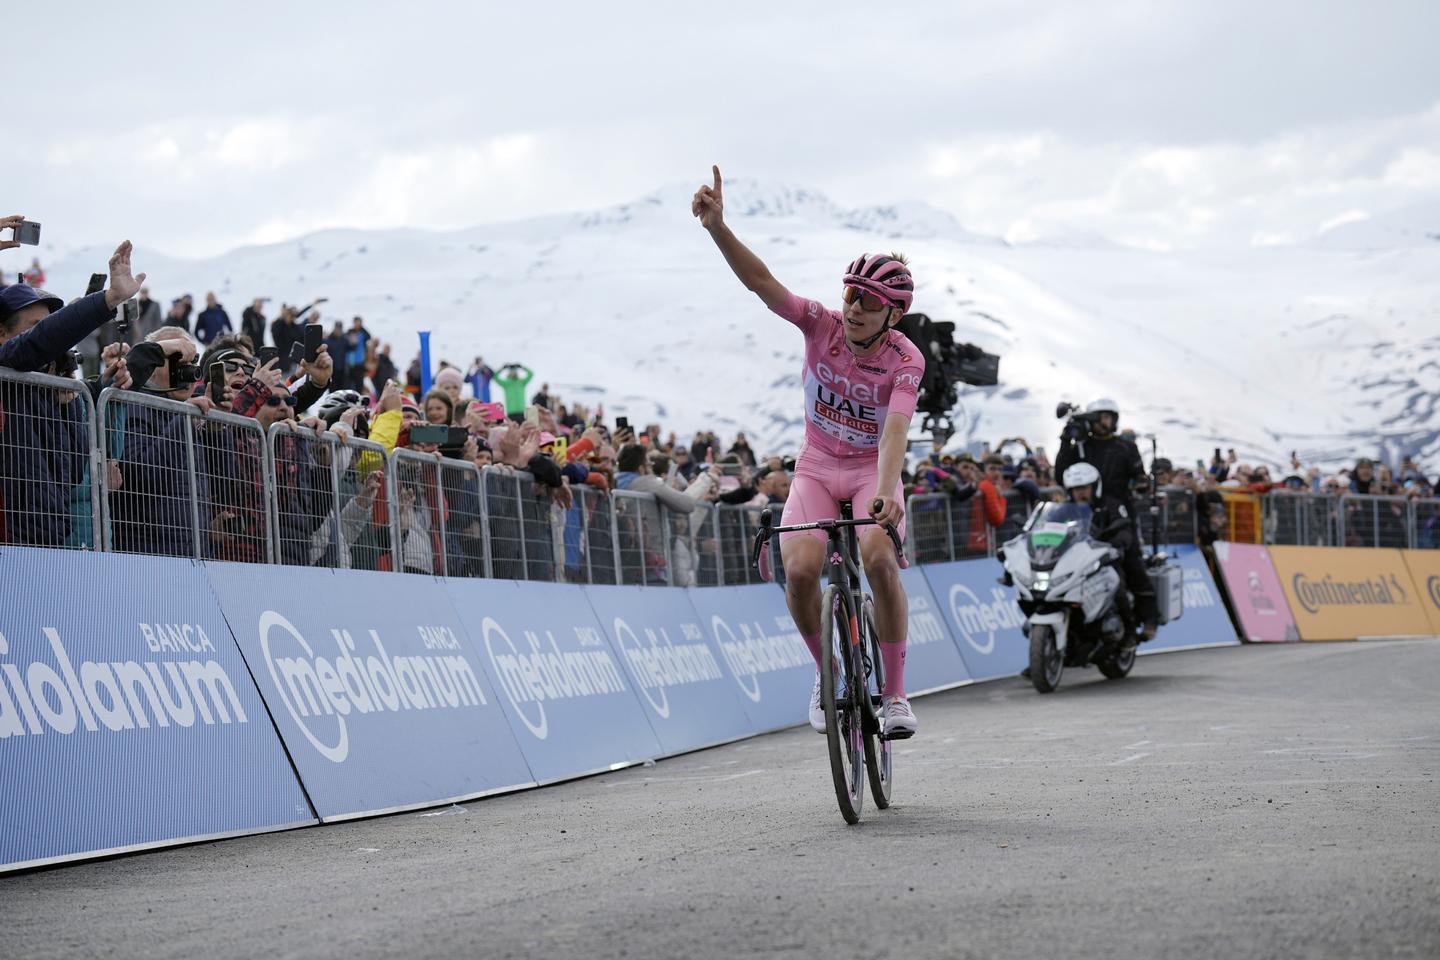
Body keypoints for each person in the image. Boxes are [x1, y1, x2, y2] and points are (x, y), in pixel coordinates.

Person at [694, 165, 921, 739]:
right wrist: (719, 228)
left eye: (869, 303)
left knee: (877, 559)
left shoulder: (905, 359)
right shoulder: (820, 325)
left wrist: (889, 493)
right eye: (851, 294)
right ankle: (827, 674)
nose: (854, 308)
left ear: (893, 314)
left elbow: (895, 430)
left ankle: (894, 694)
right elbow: (762, 283)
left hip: (872, 466)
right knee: (799, 571)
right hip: (818, 464)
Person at [1053, 398, 1158, 638]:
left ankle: (1148, 618)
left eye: (1109, 417)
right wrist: (1064, 439)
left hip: (1119, 512)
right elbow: (1061, 474)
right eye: (1100, 417)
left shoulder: (1125, 447)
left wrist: (1142, 484)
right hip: (1084, 513)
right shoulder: (1080, 446)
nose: (1104, 422)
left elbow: (1138, 476)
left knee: (1131, 562)